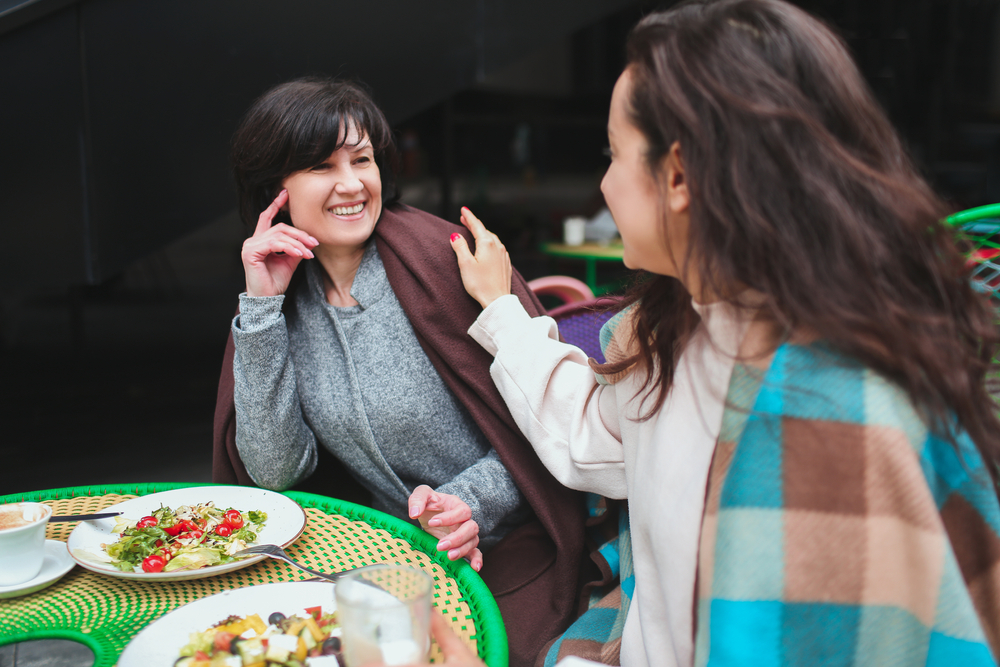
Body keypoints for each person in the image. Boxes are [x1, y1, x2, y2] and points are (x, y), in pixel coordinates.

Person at [442, 1, 1000, 665]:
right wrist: (502, 310)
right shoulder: (682, 325)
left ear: (677, 176)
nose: (603, 183)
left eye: (613, 153)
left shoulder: (837, 421)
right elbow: (593, 426)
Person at [210, 77, 593, 667]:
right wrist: (260, 310)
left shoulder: (449, 261)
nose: (351, 183)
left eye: (362, 159)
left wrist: (471, 502)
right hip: (383, 568)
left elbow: (556, 420)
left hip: (516, 552)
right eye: (320, 166)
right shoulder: (282, 302)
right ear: (274, 191)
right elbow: (275, 473)